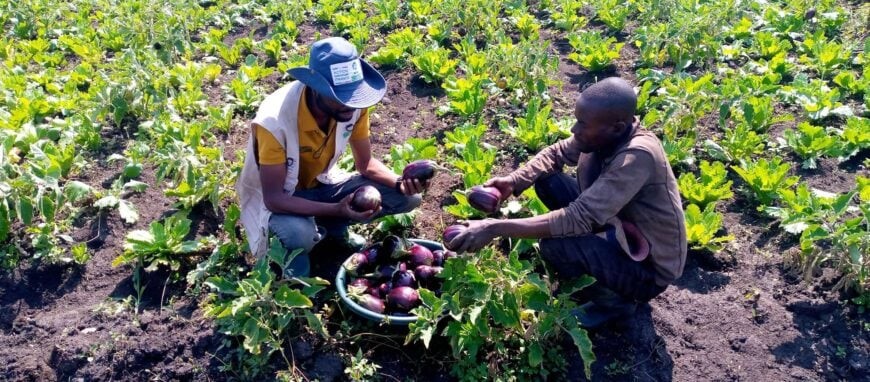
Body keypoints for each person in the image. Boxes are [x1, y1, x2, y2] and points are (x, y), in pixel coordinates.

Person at [447, 77, 687, 328]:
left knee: (556, 247)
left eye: (582, 124)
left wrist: (494, 227)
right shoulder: (605, 134)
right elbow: (556, 153)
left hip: (647, 269)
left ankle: (617, 304)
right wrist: (513, 181)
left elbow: (578, 217)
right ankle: (596, 269)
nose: (574, 129)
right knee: (547, 180)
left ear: (617, 127)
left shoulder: (637, 156)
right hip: (617, 226)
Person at [236, 37, 426, 277]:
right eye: (340, 97)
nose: (351, 106)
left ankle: (331, 228)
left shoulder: (354, 106)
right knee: (299, 235)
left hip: (323, 183)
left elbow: (366, 164)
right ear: (316, 88)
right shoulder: (274, 122)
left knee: (407, 199)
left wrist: (401, 183)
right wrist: (338, 209)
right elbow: (274, 199)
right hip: (282, 198)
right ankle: (288, 253)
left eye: (352, 96)